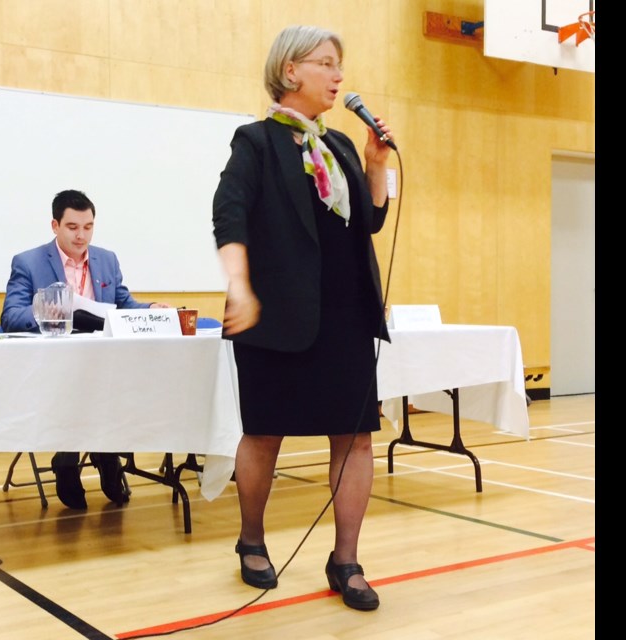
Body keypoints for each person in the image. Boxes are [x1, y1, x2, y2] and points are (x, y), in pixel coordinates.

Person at [212, 25, 394, 611]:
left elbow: (367, 221)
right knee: (264, 432)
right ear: (291, 71)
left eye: (340, 65)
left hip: (345, 314)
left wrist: (375, 164)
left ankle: (346, 559)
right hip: (276, 314)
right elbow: (229, 216)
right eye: (326, 64)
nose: (339, 76)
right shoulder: (256, 142)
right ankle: (252, 540)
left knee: (356, 434)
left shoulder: (340, 144)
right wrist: (238, 286)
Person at [0, 189, 169, 510]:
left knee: (121, 381)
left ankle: (102, 455)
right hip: (51, 365)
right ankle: (75, 459)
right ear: (55, 226)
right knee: (81, 385)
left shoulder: (107, 259)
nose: (82, 235)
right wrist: (57, 307)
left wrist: (150, 309)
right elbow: (11, 317)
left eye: (88, 227)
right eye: (73, 227)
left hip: (101, 361)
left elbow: (122, 304)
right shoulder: (28, 262)